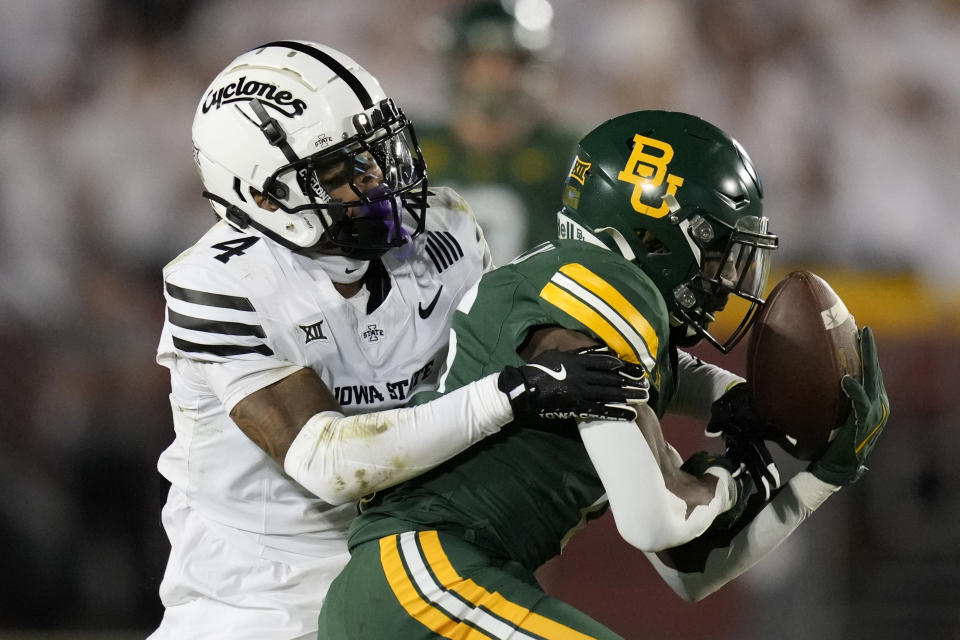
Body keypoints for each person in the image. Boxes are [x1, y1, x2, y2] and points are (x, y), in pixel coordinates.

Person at [316, 110, 891, 639]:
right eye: (719, 253)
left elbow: (693, 571)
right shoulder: (605, 292)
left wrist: (824, 475)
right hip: (421, 578)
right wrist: (734, 478)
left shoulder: (601, 316)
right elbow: (652, 522)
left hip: (430, 585)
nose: (729, 281)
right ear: (653, 234)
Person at [149, 41, 647, 640]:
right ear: (263, 196)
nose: (378, 178)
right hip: (258, 607)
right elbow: (328, 463)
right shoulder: (219, 281)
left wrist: (714, 392)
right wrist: (512, 392)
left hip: (404, 575)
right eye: (340, 170)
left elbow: (523, 341)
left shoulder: (444, 237)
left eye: (376, 153)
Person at [416, 0, 579, 264]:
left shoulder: (567, 157)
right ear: (456, 64)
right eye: (478, 60)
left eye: (506, 61)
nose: (490, 75)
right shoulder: (412, 147)